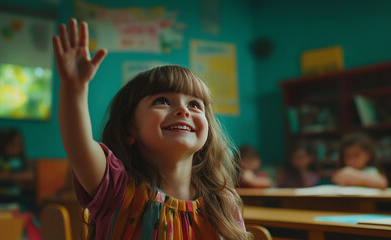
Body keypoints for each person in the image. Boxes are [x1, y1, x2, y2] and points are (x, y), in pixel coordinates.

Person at [53, 18, 248, 239]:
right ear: (129, 130)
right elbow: (79, 150)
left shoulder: (222, 201)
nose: (183, 111)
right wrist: (74, 89)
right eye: (162, 101)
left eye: (194, 105)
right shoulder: (117, 188)